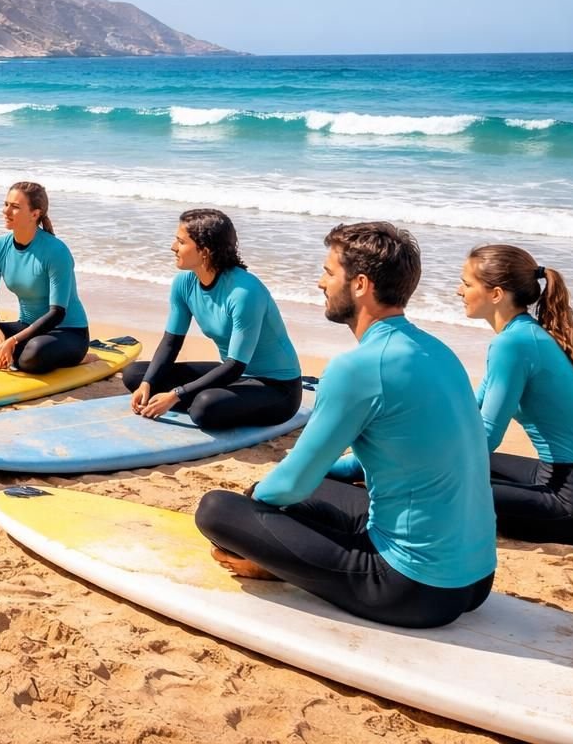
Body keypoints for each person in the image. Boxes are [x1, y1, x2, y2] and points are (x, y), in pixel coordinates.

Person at [194, 222, 496, 629]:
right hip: (477, 579)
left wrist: (256, 503)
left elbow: (291, 484)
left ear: (360, 285)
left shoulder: (355, 369)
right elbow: (361, 464)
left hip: (412, 588)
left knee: (220, 509)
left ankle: (273, 566)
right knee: (306, 492)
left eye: (329, 272)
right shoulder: (436, 351)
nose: (321, 283)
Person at [458, 245, 573, 545]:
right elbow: (471, 410)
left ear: (496, 294)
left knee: (433, 488)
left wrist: (422, 468)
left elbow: (486, 436)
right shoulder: (528, 334)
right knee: (446, 467)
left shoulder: (513, 345)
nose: (460, 291)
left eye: (467, 284)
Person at [126, 209, 303, 429]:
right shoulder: (184, 284)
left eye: (181, 242)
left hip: (275, 386)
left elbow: (235, 365)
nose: (173, 247)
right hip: (233, 377)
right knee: (135, 374)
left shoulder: (244, 292)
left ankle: (199, 402)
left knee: (204, 407)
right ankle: (193, 398)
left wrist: (175, 395)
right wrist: (147, 383)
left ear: (204, 251)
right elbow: (171, 343)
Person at [0, 181, 89, 373]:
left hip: (66, 332)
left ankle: (14, 355)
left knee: (34, 351)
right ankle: (8, 356)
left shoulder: (56, 251)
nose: (6, 211)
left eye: (15, 207)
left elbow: (57, 313)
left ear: (35, 214)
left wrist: (13, 340)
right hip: (26, 327)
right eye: (6, 204)